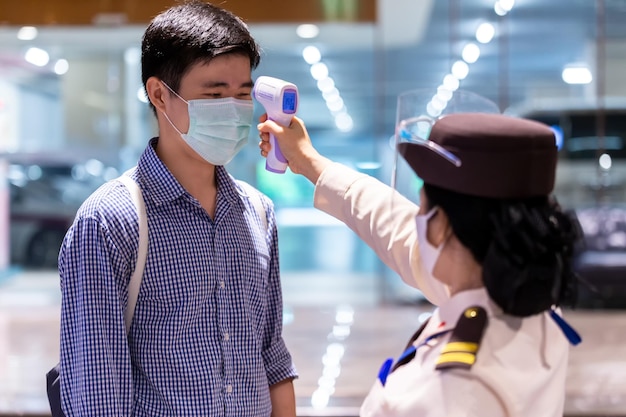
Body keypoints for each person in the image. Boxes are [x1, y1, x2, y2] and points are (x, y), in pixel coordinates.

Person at [257, 105, 582, 416]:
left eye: (422, 209)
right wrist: (309, 161)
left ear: (440, 227)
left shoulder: (447, 389)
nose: (415, 220)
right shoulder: (534, 308)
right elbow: (390, 223)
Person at [57, 2, 297, 416]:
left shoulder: (257, 212)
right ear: (159, 95)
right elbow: (98, 393)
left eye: (243, 94)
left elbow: (272, 355)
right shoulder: (111, 221)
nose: (235, 110)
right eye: (215, 93)